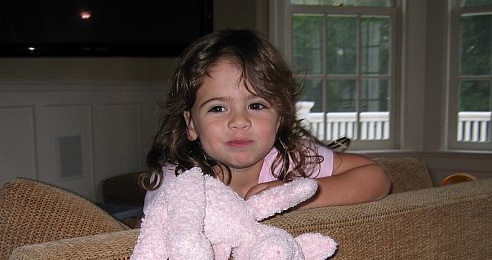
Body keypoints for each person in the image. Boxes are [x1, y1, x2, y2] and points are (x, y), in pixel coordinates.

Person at [141, 29, 390, 215]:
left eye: (256, 105)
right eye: (218, 108)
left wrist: (295, 196)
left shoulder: (292, 158)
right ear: (191, 125)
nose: (239, 121)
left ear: (280, 116)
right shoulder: (176, 183)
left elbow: (376, 177)